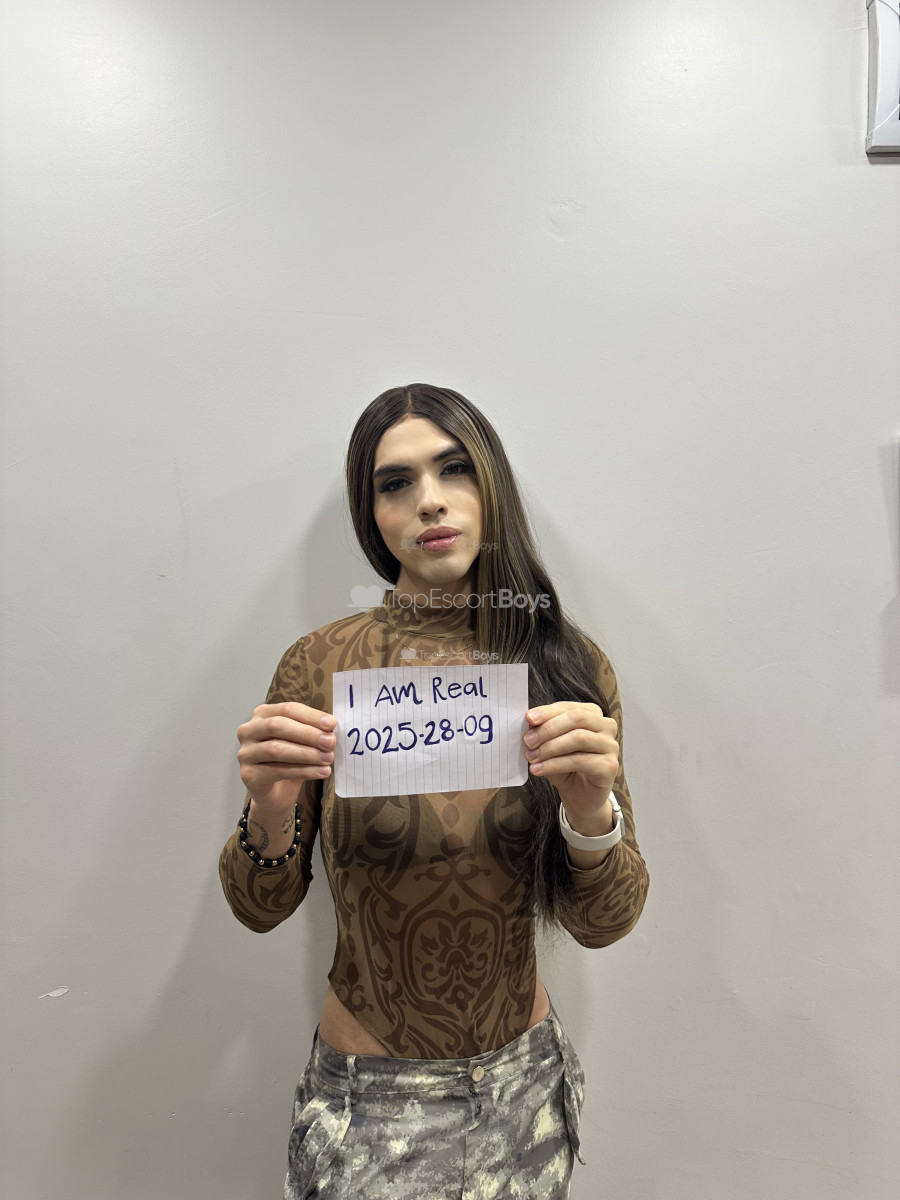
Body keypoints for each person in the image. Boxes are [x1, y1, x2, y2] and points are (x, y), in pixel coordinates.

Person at [218, 383, 649, 1200]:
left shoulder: (567, 666)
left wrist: (591, 812)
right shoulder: (320, 666)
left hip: (525, 1092)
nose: (430, 501)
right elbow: (257, 907)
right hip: (371, 1104)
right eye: (396, 482)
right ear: (372, 514)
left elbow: (605, 922)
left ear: (492, 487)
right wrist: (269, 812)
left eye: (455, 469)